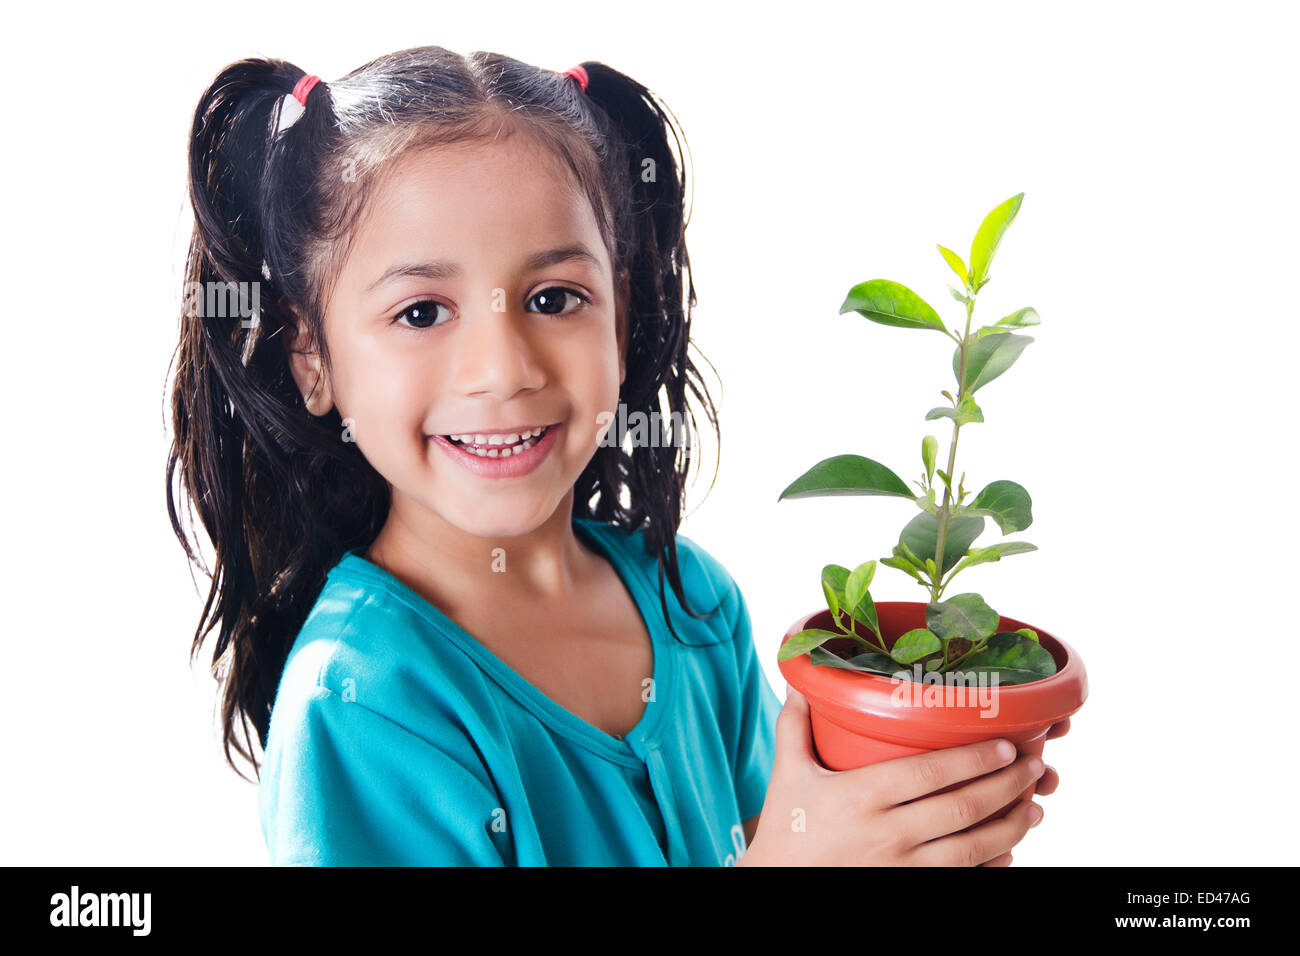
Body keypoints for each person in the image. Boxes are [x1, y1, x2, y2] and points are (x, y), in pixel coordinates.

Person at [167, 45, 1063, 866]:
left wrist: (918, 821)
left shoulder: (691, 604)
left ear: (622, 313)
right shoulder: (364, 705)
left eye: (554, 298)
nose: (504, 370)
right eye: (422, 312)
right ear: (312, 358)